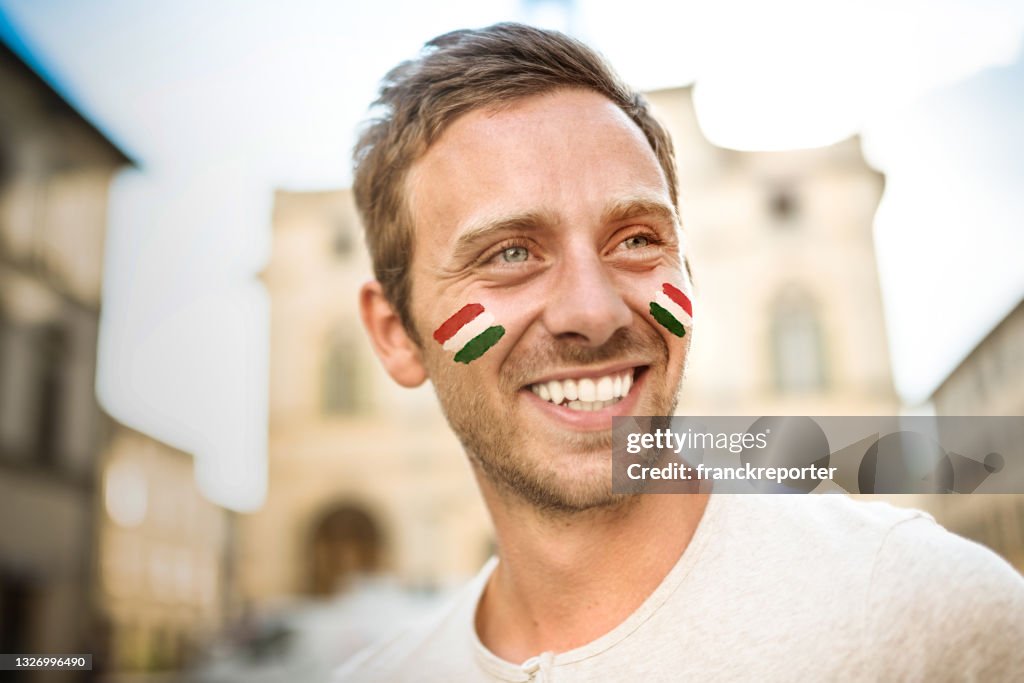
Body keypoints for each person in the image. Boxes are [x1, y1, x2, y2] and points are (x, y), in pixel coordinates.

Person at [338, 22, 1024, 682]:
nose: (595, 313)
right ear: (396, 334)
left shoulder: (925, 611)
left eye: (637, 240)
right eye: (510, 253)